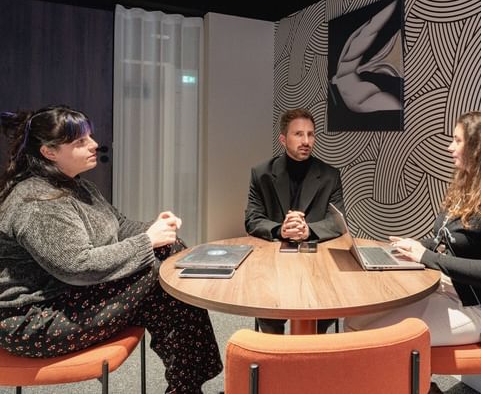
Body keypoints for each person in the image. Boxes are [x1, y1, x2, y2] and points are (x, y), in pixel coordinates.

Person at [0, 106, 222, 394]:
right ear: (49, 152)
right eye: (80, 141)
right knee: (160, 272)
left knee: (168, 260)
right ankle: (187, 386)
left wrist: (157, 228)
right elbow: (76, 266)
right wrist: (148, 241)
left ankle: (187, 386)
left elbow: (120, 226)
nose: (94, 145)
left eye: (90, 137)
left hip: (68, 297)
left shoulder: (79, 187)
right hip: (33, 321)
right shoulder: (37, 202)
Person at [345, 111, 481, 392]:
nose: (449, 147)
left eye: (457, 140)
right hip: (448, 292)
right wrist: (415, 245)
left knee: (374, 339)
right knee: (355, 322)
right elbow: (446, 240)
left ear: (478, 147)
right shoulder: (468, 187)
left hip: (480, 308)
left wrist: (427, 257)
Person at [245, 108, 345, 333]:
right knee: (269, 314)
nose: (306, 141)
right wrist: (281, 229)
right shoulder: (261, 174)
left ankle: (311, 348)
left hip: (317, 264)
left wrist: (308, 230)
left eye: (310, 134)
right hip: (273, 264)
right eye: (299, 134)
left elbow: (337, 222)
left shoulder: (330, 175)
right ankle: (275, 350)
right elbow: (252, 219)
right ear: (283, 139)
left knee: (320, 316)